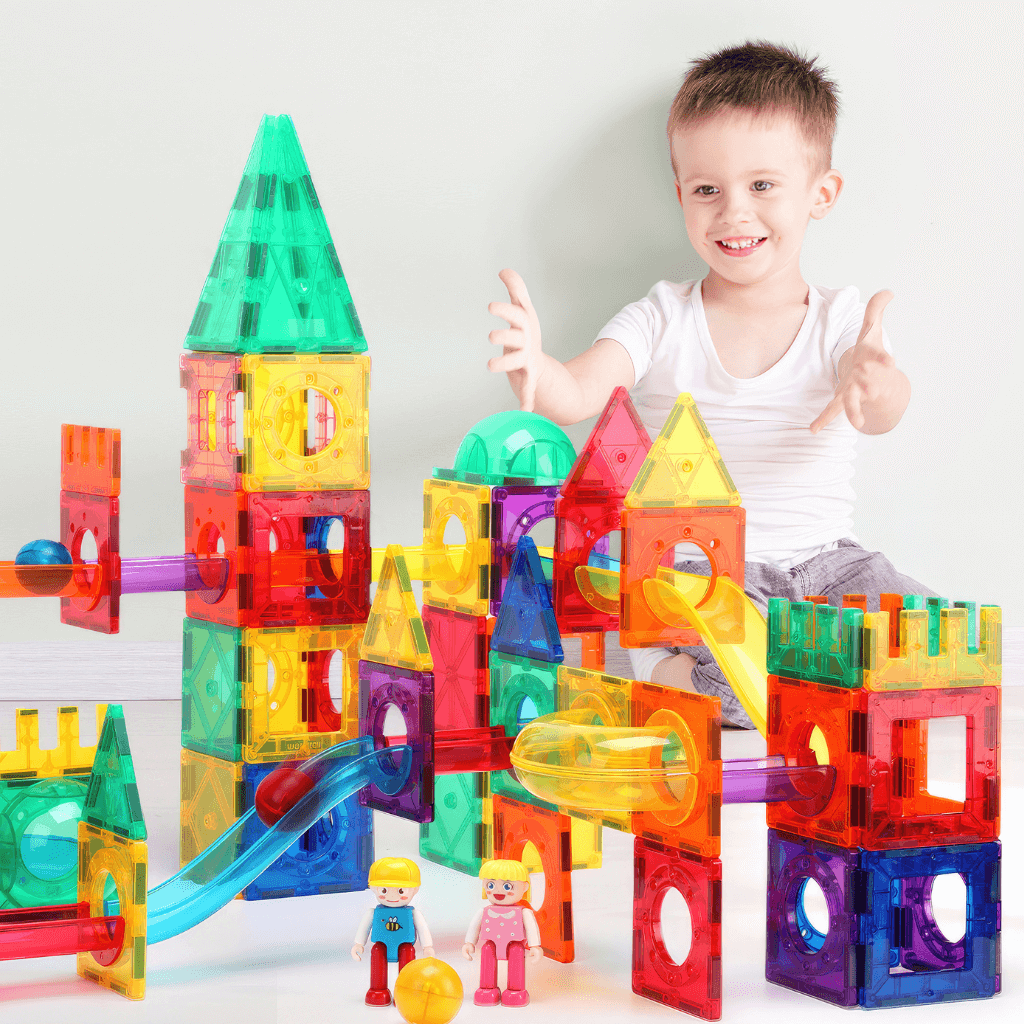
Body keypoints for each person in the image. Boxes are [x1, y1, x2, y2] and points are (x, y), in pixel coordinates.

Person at [486, 41, 933, 727]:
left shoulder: (844, 320)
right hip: (697, 574)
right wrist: (535, 366)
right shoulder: (662, 316)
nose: (734, 213)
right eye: (707, 190)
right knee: (735, 667)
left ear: (821, 194)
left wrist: (876, 382)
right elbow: (576, 393)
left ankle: (782, 674)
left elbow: (880, 408)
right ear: (682, 197)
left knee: (925, 643)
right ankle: (667, 671)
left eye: (762, 186)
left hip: (826, 569)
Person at [351, 857, 434, 1006]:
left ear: (415, 890)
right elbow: (364, 927)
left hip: (405, 946)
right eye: (384, 890)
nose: (392, 896)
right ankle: (378, 990)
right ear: (373, 888)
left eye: (401, 891)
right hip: (381, 945)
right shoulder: (374, 912)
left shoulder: (413, 913)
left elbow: (422, 929)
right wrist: (358, 944)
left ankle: (405, 991)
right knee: (377, 954)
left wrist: (427, 947)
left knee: (407, 959)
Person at [463, 858, 542, 1007]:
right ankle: (487, 988)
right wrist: (469, 943)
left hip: (515, 944)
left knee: (516, 953)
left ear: (524, 887)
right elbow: (474, 927)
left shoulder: (523, 912)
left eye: (507, 886)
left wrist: (535, 946)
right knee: (487, 951)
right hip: (491, 943)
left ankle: (516, 990)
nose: (498, 891)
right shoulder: (485, 911)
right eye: (491, 885)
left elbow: (531, 928)